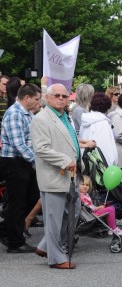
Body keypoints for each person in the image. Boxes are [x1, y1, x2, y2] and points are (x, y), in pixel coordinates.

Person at [32, 84, 82, 269]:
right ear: (48, 98)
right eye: (57, 95)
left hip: (70, 174)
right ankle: (56, 258)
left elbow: (68, 141)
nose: (62, 98)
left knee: (73, 212)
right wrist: (64, 160)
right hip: (55, 174)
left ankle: (46, 246)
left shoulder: (63, 116)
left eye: (64, 95)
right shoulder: (41, 119)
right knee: (55, 218)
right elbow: (41, 148)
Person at [0, 83, 42, 252]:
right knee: (18, 202)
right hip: (13, 162)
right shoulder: (14, 114)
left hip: (23, 162)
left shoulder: (27, 114)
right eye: (37, 99)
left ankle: (6, 230)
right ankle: (15, 243)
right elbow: (19, 145)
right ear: (27, 98)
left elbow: (31, 139)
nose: (38, 103)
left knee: (31, 197)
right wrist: (37, 162)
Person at [79, 93, 118, 166]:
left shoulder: (85, 119)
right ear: (107, 106)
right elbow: (106, 146)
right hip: (100, 164)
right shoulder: (103, 122)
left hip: (85, 160)